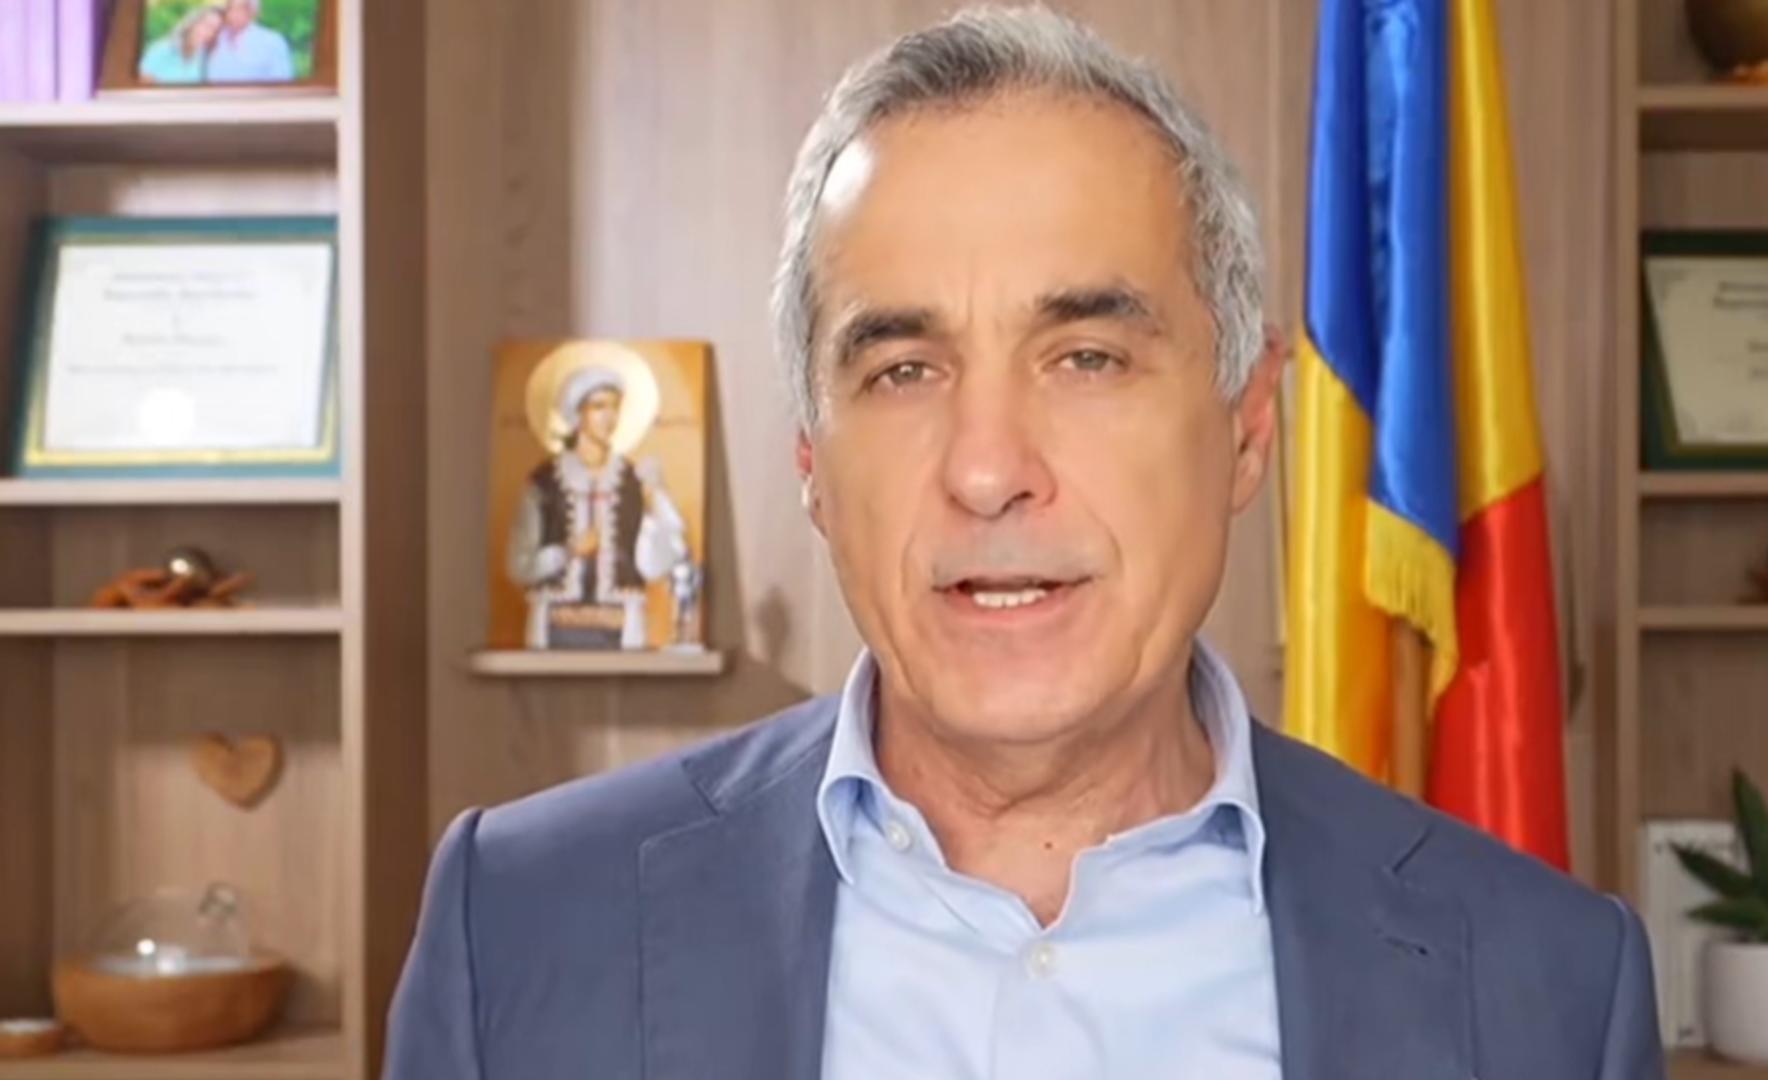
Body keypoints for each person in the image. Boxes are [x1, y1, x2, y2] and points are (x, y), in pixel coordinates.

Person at [386, 7, 1661, 1079]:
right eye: (902, 369)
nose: (988, 470)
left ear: (1248, 429)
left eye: (1087, 357)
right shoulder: (519, 928)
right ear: (813, 462)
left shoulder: (1550, 987)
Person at [503, 365, 688, 649]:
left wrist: (656, 499)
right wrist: (567, 552)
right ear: (578, 413)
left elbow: (653, 568)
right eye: (599, 407)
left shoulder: (632, 481)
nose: (609, 417)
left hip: (622, 627)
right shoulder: (545, 484)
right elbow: (519, 565)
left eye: (615, 407)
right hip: (553, 626)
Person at [203, 0, 294, 84]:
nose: (233, 13)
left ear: (253, 11)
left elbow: (282, 84)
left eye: (241, 8)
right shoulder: (215, 38)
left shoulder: (273, 42)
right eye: (230, 7)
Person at [137, 5, 223, 85]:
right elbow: (142, 84)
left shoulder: (202, 57)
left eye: (215, 30)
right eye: (207, 25)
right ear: (193, 22)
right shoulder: (162, 49)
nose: (209, 33)